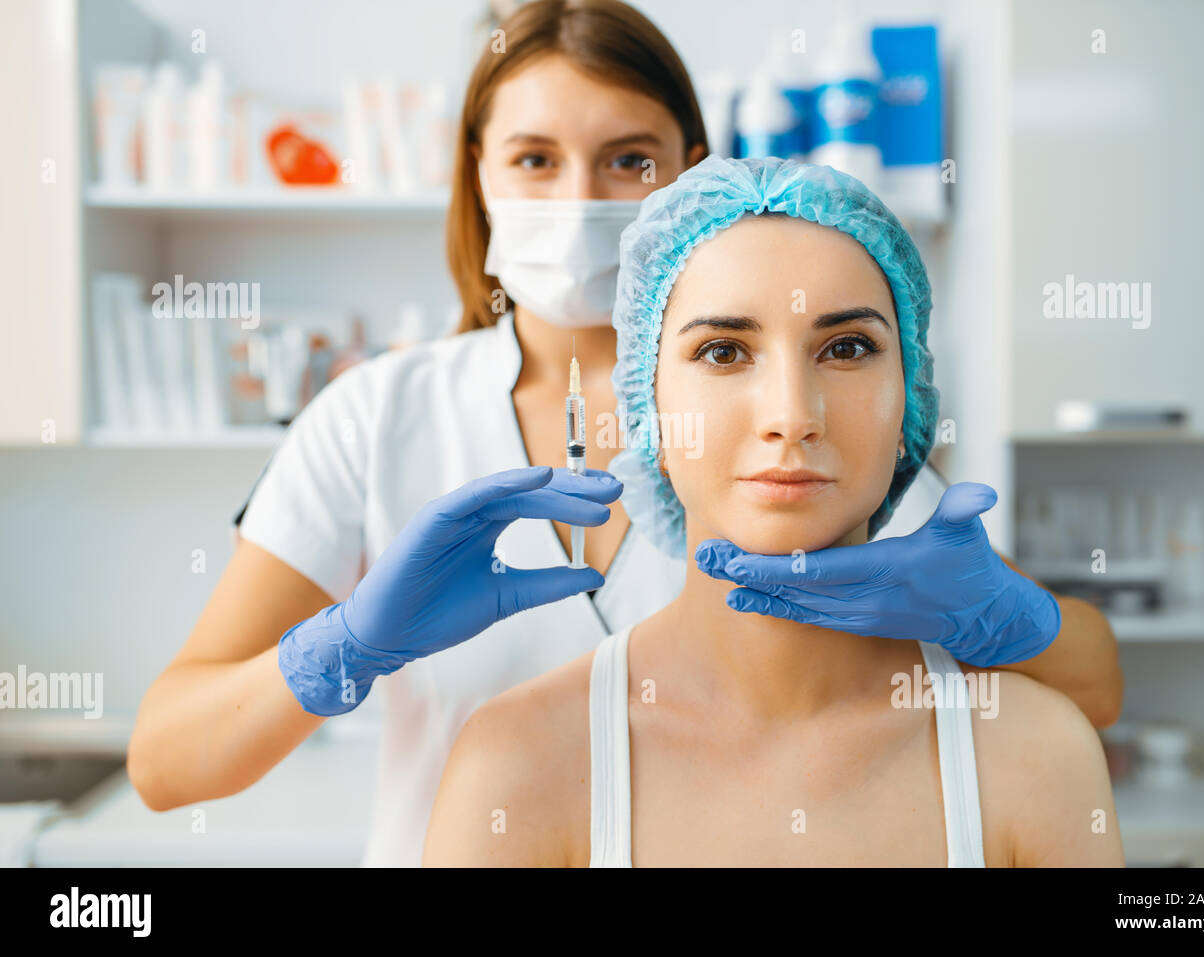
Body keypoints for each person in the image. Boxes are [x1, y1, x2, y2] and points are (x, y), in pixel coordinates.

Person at [128, 0, 1121, 868]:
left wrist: (995, 617)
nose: (578, 203)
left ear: (691, 169)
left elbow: (1080, 690)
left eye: (628, 160)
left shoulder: (824, 444)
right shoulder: (376, 417)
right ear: (476, 173)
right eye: (533, 159)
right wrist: (348, 646)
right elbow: (167, 763)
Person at [423, 157, 1125, 867]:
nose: (793, 415)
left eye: (847, 347)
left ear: (908, 394)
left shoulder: (1035, 757)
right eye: (724, 351)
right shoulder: (516, 770)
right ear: (648, 408)